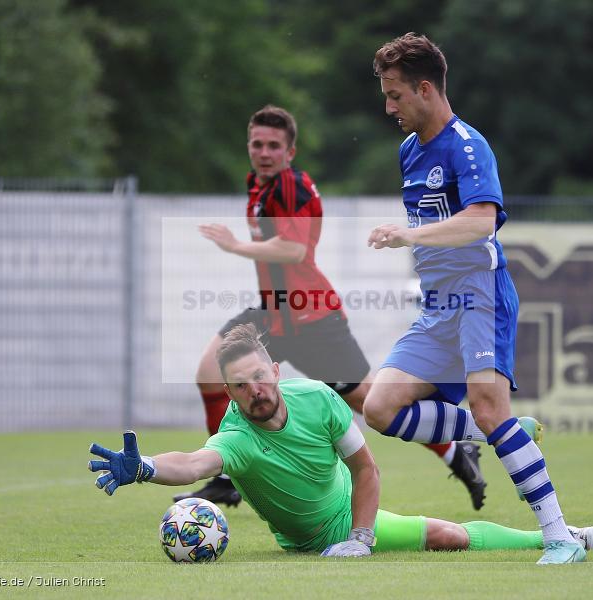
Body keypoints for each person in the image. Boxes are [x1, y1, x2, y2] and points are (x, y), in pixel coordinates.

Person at [181, 104, 491, 510]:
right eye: (257, 144)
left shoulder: (290, 185)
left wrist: (234, 244)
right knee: (210, 371)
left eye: (274, 145)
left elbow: (293, 250)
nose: (264, 152)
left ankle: (455, 449)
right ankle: (225, 479)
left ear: (290, 152)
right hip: (274, 312)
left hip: (311, 317)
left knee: (368, 403)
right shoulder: (259, 185)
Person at [88, 324, 593, 557]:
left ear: (275, 369)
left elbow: (367, 470)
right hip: (304, 542)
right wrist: (148, 467)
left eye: (260, 377)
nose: (255, 392)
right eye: (240, 386)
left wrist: (359, 539)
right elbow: (197, 462)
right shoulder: (236, 435)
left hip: (348, 515)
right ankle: (498, 433)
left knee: (448, 536)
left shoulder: (318, 397)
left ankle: (559, 535)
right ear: (229, 391)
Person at [361, 33, 587, 564]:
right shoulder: (408, 150)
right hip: (437, 307)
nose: (388, 107)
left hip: (480, 297)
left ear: (424, 88)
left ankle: (559, 538)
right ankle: (502, 430)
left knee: (488, 407)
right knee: (379, 407)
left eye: (395, 95)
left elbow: (482, 220)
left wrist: (409, 236)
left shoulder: (468, 145)